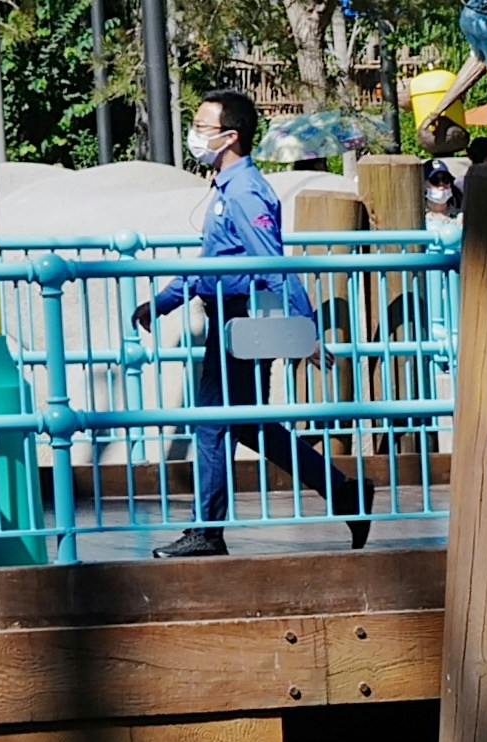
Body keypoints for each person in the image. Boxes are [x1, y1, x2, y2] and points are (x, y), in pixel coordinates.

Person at [140, 91, 367, 558]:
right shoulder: (228, 188)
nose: (195, 132)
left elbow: (269, 262)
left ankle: (207, 530)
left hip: (238, 322)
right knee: (246, 425)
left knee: (213, 425)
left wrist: (303, 326)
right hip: (229, 318)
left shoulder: (244, 191)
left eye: (203, 125)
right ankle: (344, 492)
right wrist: (163, 302)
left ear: (230, 136)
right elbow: (215, 263)